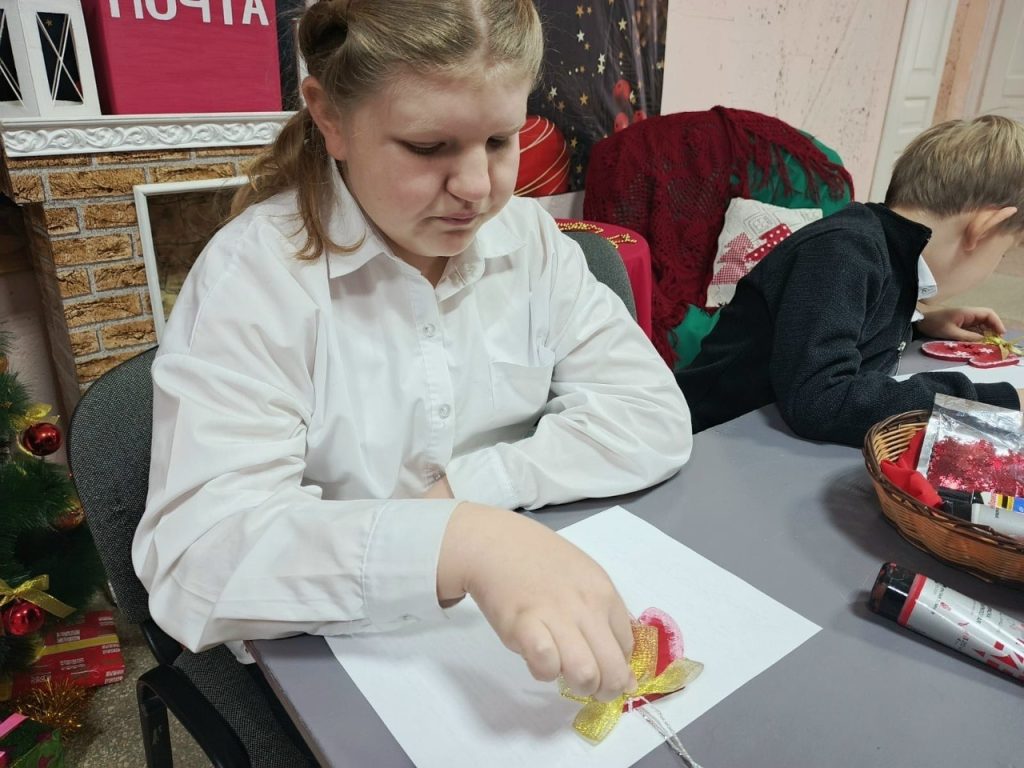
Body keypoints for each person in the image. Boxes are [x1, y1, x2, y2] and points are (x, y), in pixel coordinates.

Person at [133, 0, 692, 740]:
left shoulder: (531, 241)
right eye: (429, 147)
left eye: (501, 139)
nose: (478, 186)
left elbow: (652, 415)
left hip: (507, 598)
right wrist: (459, 542)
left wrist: (469, 495)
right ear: (329, 117)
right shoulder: (255, 278)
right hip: (334, 657)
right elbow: (198, 559)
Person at [676, 114, 1024, 447]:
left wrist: (918, 324)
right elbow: (822, 400)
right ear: (984, 229)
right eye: (1004, 252)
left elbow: (846, 325)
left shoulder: (889, 250)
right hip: (703, 437)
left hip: (763, 437)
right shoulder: (843, 251)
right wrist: (988, 402)